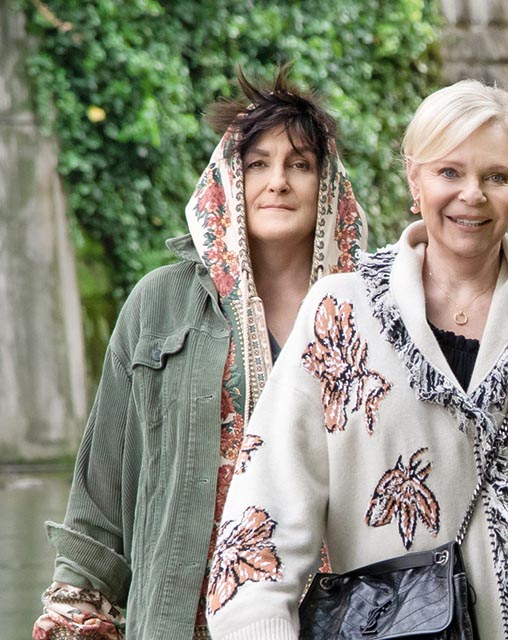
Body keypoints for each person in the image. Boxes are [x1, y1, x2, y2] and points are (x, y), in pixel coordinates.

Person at [204, 79, 508, 640]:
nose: (473, 194)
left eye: (496, 177)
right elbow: (254, 545)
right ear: (414, 181)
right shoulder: (340, 316)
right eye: (449, 172)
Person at [33, 66, 367, 640]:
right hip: (182, 619)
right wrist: (74, 614)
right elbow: (99, 496)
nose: (277, 182)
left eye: (300, 164)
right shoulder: (159, 305)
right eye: (257, 164)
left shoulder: (369, 314)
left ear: (328, 184)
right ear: (229, 178)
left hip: (334, 618)